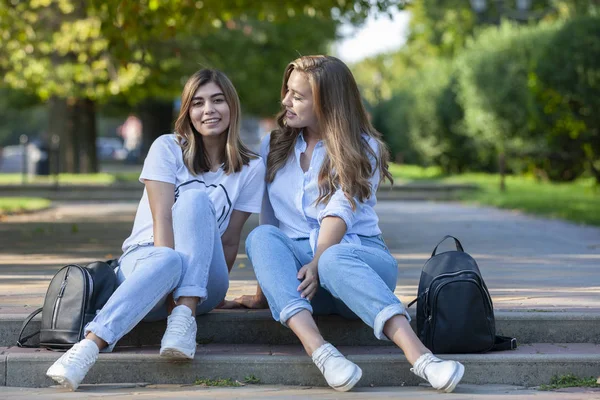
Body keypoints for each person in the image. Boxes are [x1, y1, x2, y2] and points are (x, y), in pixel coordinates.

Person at [233, 55, 465, 393]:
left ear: (327, 102)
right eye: (287, 91)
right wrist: (266, 290)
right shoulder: (274, 144)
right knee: (261, 236)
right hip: (306, 286)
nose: (285, 101)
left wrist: (317, 261)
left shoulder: (362, 146)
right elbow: (270, 220)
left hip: (359, 260)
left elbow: (341, 209)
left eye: (297, 96)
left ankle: (423, 360)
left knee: (332, 258)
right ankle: (324, 354)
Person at [46, 69, 265, 390]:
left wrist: (205, 292)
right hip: (146, 265)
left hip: (204, 280)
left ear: (232, 105)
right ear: (187, 111)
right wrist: (171, 292)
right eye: (198, 103)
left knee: (194, 201)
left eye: (218, 100)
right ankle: (88, 348)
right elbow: (162, 219)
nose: (208, 110)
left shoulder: (251, 167)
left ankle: (183, 317)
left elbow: (230, 240)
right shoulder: (167, 148)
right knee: (172, 254)